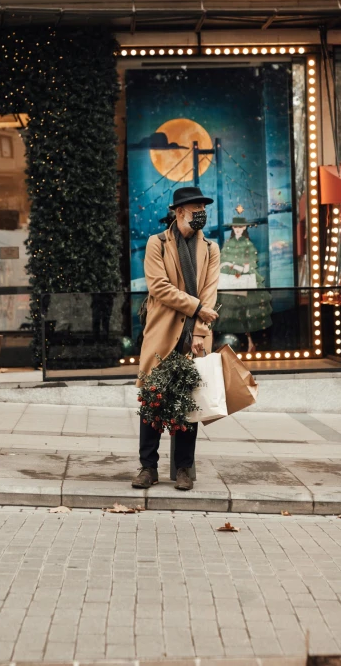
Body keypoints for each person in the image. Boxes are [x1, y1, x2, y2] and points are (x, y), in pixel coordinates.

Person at [132, 186, 221, 492]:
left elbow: (210, 291)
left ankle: (183, 469)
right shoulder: (156, 243)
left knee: (188, 402)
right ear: (179, 212)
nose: (201, 214)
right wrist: (197, 308)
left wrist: (199, 331)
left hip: (194, 336)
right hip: (161, 333)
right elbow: (159, 287)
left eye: (203, 209)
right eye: (196, 209)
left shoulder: (210, 248)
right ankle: (148, 467)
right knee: (152, 400)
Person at [215, 216, 272, 352]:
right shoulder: (228, 244)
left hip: (245, 282)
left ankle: (250, 342)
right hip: (230, 284)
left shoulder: (248, 245)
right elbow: (223, 263)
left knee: (247, 313)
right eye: (235, 227)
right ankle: (226, 346)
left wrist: (231, 265)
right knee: (229, 313)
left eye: (240, 227)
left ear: (245, 228)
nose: (238, 230)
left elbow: (248, 267)